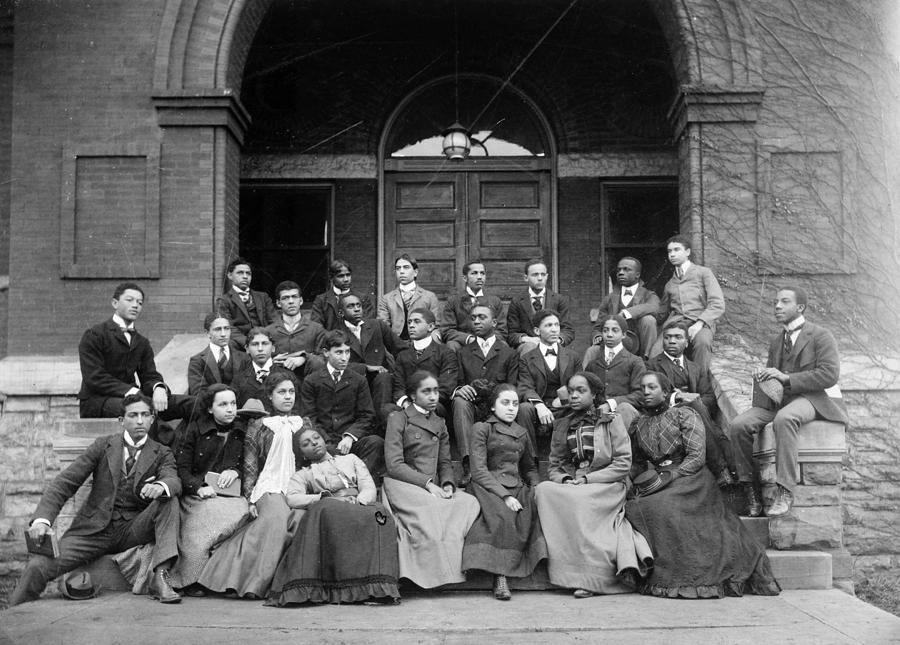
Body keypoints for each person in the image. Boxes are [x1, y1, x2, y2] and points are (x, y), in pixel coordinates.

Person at [9, 393, 182, 606]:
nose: (139, 421)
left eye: (145, 415)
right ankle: (13, 615)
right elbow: (65, 482)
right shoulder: (103, 446)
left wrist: (160, 486)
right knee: (38, 566)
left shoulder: (162, 452)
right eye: (133, 415)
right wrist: (42, 520)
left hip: (132, 530)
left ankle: (161, 578)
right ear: (121, 421)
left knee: (169, 498)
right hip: (93, 532)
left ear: (152, 419)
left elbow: (173, 479)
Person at [625, 371, 781, 599]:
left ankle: (690, 572)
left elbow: (696, 456)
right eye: (643, 388)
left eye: (652, 387)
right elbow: (638, 463)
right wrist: (632, 481)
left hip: (692, 477)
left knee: (664, 506)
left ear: (666, 392)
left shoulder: (683, 415)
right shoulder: (639, 424)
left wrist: (673, 475)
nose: (647, 392)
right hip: (660, 478)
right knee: (637, 506)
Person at [727, 287, 848, 517]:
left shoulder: (821, 335)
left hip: (812, 399)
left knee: (785, 418)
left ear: (800, 307)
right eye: (775, 302)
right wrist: (765, 375)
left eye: (784, 302)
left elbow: (829, 375)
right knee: (738, 425)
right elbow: (775, 378)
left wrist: (787, 378)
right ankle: (750, 490)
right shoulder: (776, 341)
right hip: (779, 400)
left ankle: (785, 490)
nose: (777, 306)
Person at [535, 372, 652, 598]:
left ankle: (595, 579)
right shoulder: (563, 424)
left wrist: (589, 479)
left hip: (607, 483)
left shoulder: (611, 419)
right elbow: (555, 465)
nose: (575, 396)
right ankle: (566, 572)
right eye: (571, 391)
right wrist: (566, 480)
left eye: (581, 391)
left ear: (595, 394)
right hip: (576, 483)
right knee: (543, 490)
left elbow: (623, 463)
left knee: (581, 500)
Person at [196, 373, 311, 599]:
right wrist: (250, 499)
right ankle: (251, 584)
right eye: (281, 392)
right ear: (270, 396)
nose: (287, 397)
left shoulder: (303, 423)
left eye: (291, 392)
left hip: (296, 486)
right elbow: (250, 466)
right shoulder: (259, 425)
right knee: (276, 521)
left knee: (297, 520)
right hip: (268, 486)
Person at [266, 427, 400, 606]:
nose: (314, 443)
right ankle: (345, 588)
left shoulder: (351, 459)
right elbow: (292, 497)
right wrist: (320, 497)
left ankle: (378, 588)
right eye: (306, 444)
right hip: (333, 505)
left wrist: (360, 501)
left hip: (359, 503)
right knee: (326, 507)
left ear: (324, 440)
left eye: (316, 438)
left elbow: (367, 485)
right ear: (302, 454)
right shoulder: (304, 473)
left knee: (381, 516)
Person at [382, 371, 480, 589]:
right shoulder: (398, 419)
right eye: (426, 392)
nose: (433, 396)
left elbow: (445, 462)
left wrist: (447, 483)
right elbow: (394, 465)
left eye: (436, 391)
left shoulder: (439, 422)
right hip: (404, 484)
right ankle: (427, 575)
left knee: (467, 503)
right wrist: (427, 484)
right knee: (431, 510)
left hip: (433, 485)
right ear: (413, 396)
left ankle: (454, 570)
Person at [461, 384, 547, 601]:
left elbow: (528, 468)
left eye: (515, 404)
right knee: (502, 515)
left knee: (532, 511)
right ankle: (500, 576)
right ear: (492, 406)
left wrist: (537, 487)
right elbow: (478, 470)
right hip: (487, 485)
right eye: (505, 403)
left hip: (516, 485)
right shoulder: (482, 428)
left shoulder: (522, 432)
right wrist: (504, 496)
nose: (511, 408)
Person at [169, 384, 250, 594]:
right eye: (223, 404)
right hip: (198, 497)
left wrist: (235, 471)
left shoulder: (241, 430)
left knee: (243, 516)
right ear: (210, 409)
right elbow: (181, 468)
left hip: (231, 497)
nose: (230, 409)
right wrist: (197, 487)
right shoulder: (194, 430)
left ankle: (224, 580)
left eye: (233, 403)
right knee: (201, 526)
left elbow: (249, 462)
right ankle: (192, 579)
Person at [78, 282, 191, 421]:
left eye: (140, 302)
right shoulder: (95, 334)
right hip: (98, 402)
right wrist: (133, 392)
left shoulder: (141, 342)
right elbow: (94, 377)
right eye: (129, 300)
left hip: (135, 399)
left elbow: (149, 376)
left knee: (193, 404)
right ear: (115, 303)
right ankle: (168, 441)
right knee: (141, 409)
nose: (135, 305)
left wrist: (159, 388)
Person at [646, 321, 735, 486]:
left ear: (686, 342)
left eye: (678, 337)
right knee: (713, 429)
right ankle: (722, 470)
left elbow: (709, 397)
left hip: (696, 416)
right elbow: (650, 396)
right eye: (668, 337)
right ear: (663, 341)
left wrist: (693, 398)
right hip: (668, 417)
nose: (672, 341)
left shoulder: (696, 368)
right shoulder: (652, 365)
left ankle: (734, 474)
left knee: (708, 420)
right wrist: (676, 398)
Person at [299, 330, 385, 482]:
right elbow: (309, 417)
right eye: (339, 352)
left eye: (347, 352)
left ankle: (358, 481)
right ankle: (343, 482)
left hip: (350, 441)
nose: (344, 358)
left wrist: (350, 436)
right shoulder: (312, 381)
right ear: (326, 352)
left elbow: (367, 415)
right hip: (324, 440)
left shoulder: (358, 380)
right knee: (321, 451)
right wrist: (325, 441)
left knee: (375, 443)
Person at [452, 305, 518, 485]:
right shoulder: (463, 352)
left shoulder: (508, 353)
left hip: (495, 409)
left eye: (482, 317)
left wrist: (491, 392)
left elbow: (511, 386)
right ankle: (468, 464)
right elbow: (456, 381)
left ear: (494, 322)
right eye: (473, 318)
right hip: (471, 407)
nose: (476, 321)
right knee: (459, 402)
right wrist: (461, 389)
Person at [652, 235, 725, 370]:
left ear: (688, 252)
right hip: (676, 324)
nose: (672, 254)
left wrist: (699, 324)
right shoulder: (670, 284)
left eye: (676, 250)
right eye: (669, 251)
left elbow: (717, 304)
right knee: (654, 354)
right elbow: (661, 313)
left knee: (702, 343)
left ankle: (699, 384)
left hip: (702, 323)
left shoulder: (703, 273)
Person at [516, 310, 579, 451]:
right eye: (549, 325)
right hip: (540, 407)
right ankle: (530, 461)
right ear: (537, 331)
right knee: (524, 409)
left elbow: (579, 385)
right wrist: (539, 405)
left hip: (565, 407)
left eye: (557, 325)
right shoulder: (526, 358)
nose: (554, 329)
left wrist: (563, 400)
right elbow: (525, 386)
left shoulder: (573, 357)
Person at [339, 292, 407, 422]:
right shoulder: (336, 332)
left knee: (384, 378)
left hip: (381, 380)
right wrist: (365, 368)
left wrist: (399, 371)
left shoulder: (377, 325)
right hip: (352, 380)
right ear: (341, 313)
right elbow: (332, 363)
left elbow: (401, 350)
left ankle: (381, 422)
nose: (357, 308)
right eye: (351, 306)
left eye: (358, 305)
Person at [584, 257, 660, 362]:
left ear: (637, 275)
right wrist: (597, 336)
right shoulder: (610, 298)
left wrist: (626, 313)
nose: (620, 273)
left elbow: (654, 307)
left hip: (640, 346)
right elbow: (598, 327)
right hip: (614, 345)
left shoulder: (648, 294)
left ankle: (649, 362)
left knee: (648, 320)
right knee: (592, 351)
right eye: (619, 270)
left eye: (626, 269)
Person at [389, 308, 458, 419]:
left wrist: (420, 403)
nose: (411, 325)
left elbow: (446, 388)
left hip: (433, 404)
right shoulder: (403, 355)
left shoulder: (445, 353)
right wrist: (406, 402)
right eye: (409, 322)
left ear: (430, 327)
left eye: (417, 321)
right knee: (387, 410)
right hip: (408, 404)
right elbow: (398, 386)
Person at [582, 315, 645, 431]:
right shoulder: (593, 363)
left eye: (615, 330)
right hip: (598, 414)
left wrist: (611, 403)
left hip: (625, 416)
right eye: (605, 331)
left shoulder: (635, 361)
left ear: (624, 335)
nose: (609, 334)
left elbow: (640, 394)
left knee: (624, 409)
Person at [506, 259, 574, 355]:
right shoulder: (517, 302)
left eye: (543, 274)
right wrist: (529, 339)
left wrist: (554, 340)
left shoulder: (559, 300)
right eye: (535, 275)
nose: (540, 278)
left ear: (547, 276)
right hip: (528, 347)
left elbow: (568, 331)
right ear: (526, 278)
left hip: (553, 344)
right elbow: (512, 335)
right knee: (530, 347)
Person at [439, 260, 508, 351]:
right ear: (465, 278)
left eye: (482, 273)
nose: (479, 277)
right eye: (474, 273)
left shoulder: (495, 301)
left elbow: (502, 330)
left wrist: (486, 340)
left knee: (503, 346)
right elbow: (447, 330)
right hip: (464, 343)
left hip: (488, 343)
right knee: (451, 345)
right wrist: (469, 339)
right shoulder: (454, 301)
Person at [265, 280, 326, 377]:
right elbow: (260, 361)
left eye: (294, 297)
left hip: (308, 383)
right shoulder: (269, 331)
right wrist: (271, 361)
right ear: (278, 303)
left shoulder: (316, 329)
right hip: (279, 384)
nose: (291, 301)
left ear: (301, 301)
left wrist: (304, 358)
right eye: (285, 298)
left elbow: (325, 359)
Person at [378, 253, 442, 342]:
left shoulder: (429, 297)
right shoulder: (386, 299)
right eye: (398, 268)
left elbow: (436, 325)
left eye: (406, 267)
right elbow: (383, 327)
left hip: (422, 343)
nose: (401, 271)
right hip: (395, 345)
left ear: (415, 272)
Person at [216, 258, 277, 350]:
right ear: (230, 275)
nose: (245, 276)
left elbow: (274, 321)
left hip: (264, 339)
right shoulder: (224, 300)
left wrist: (264, 339)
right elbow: (229, 327)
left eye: (248, 273)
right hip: (241, 343)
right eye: (240, 273)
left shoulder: (263, 297)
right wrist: (248, 343)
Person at [187, 313, 251, 396]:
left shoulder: (244, 358)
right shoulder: (197, 361)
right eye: (218, 329)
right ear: (207, 333)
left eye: (227, 328)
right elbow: (198, 393)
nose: (223, 334)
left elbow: (248, 389)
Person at [310, 259, 375, 331]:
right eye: (341, 276)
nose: (346, 279)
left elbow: (368, 325)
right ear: (331, 277)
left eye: (348, 275)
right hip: (331, 341)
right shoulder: (321, 300)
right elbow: (316, 327)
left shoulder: (362, 298)